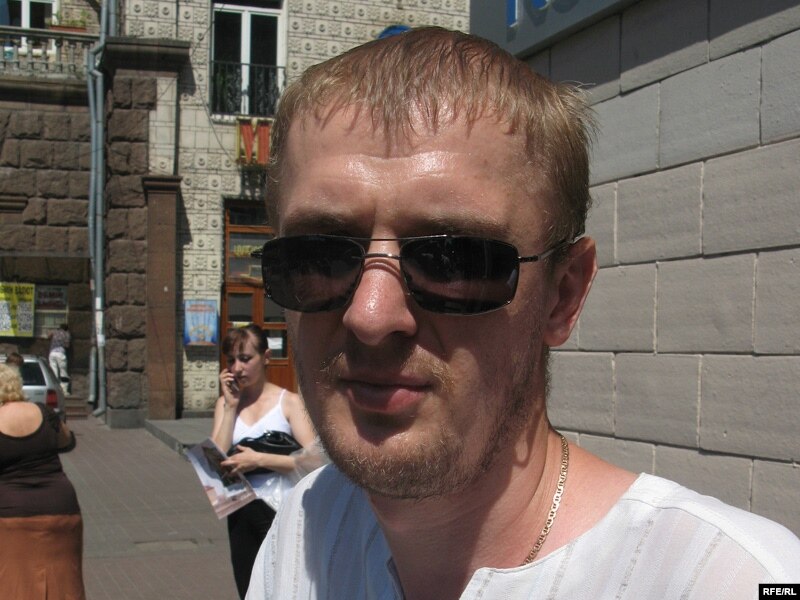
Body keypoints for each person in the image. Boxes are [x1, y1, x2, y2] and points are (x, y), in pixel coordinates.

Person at [245, 27, 800, 599]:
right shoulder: (302, 532)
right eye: (318, 255)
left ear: (564, 295)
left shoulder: (735, 578)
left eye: (454, 259)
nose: (371, 315)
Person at [211, 324, 316, 599]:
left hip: (280, 506)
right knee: (247, 586)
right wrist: (231, 407)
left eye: (245, 359)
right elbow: (214, 462)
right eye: (231, 360)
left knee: (285, 584)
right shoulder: (225, 404)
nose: (237, 368)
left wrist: (258, 459)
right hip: (239, 508)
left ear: (266, 357)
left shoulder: (288, 403)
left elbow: (314, 461)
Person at [0, 363, 85, 599]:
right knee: (65, 583)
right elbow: (67, 442)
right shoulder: (44, 412)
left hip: (11, 515)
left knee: (14, 585)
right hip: (61, 509)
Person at [48, 323, 71, 395]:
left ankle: (55, 389)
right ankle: (64, 391)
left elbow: (48, 336)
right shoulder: (66, 334)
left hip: (52, 353)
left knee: (54, 372)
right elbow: (67, 345)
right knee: (63, 372)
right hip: (60, 353)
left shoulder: (55, 332)